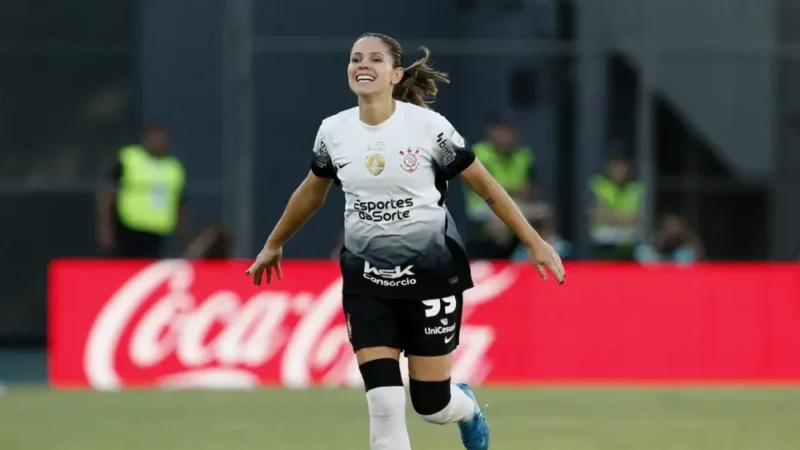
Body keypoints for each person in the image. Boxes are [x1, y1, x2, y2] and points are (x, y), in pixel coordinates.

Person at [245, 32, 565, 450]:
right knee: (383, 406)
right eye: (356, 58)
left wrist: (532, 240)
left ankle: (465, 407)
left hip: (432, 278)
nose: (363, 65)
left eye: (375, 59)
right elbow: (312, 191)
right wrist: (274, 242)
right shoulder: (333, 131)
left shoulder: (428, 128)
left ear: (395, 74)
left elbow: (486, 186)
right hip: (368, 284)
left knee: (431, 406)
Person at [96, 122, 190, 258]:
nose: (159, 143)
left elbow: (179, 204)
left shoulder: (174, 167)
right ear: (145, 139)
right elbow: (107, 193)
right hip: (127, 230)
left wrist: (184, 238)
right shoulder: (129, 159)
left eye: (163, 140)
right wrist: (105, 229)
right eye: (155, 138)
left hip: (158, 234)